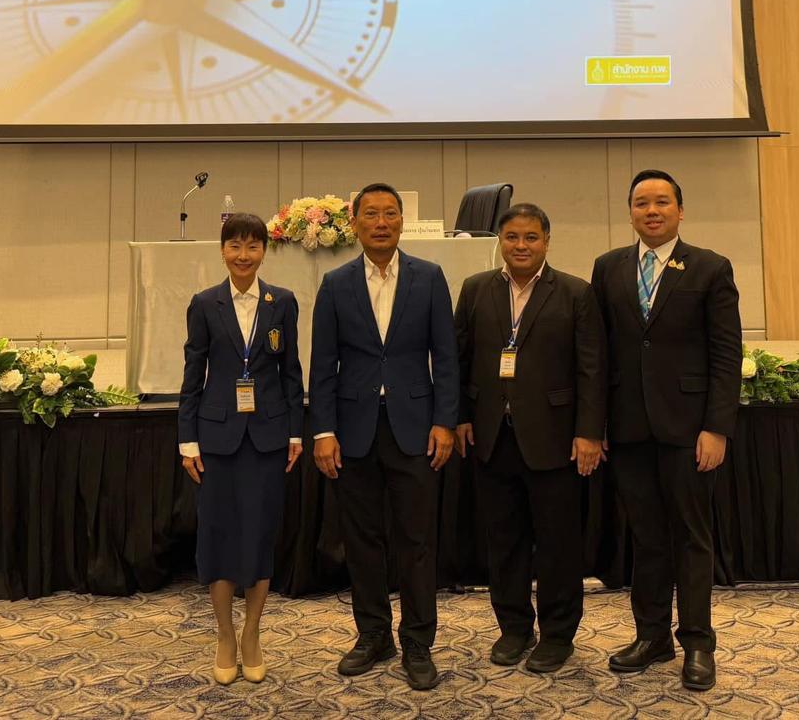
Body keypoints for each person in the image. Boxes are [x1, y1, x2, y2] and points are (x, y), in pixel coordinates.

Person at [591, 169, 741, 691]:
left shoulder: (710, 267)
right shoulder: (608, 267)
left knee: (692, 538)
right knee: (647, 538)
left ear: (680, 210)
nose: (651, 211)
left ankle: (698, 643)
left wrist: (716, 427)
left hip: (688, 429)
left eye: (661, 202)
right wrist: (596, 424)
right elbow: (598, 354)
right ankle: (652, 636)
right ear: (630, 212)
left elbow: (726, 354)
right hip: (629, 428)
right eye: (641, 203)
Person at [308, 182, 458, 691]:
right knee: (362, 540)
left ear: (402, 222)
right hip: (354, 431)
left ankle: (417, 640)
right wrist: (323, 430)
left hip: (416, 429)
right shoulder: (335, 284)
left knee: (417, 541)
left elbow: (446, 357)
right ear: (355, 224)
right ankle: (373, 634)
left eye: (390, 213)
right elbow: (322, 365)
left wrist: (444, 421)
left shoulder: (429, 277)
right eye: (370, 214)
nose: (381, 222)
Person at [454, 203, 606, 672]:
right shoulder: (476, 289)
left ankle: (558, 635)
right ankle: (514, 628)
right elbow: (459, 359)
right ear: (500, 241)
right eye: (513, 237)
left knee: (558, 544)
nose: (521, 246)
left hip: (555, 440)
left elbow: (592, 369)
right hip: (492, 437)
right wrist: (460, 417)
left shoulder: (576, 293)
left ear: (546, 241)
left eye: (531, 237)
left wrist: (589, 432)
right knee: (504, 542)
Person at [178, 212, 304, 686]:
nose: (244, 255)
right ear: (222, 251)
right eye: (235, 246)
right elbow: (193, 376)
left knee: (259, 537)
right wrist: (187, 439)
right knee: (219, 538)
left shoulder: (282, 302)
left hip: (268, 438)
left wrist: (295, 434)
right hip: (217, 440)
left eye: (253, 246)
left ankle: (252, 633)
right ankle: (225, 636)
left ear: (264, 251)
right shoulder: (204, 304)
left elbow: (292, 373)